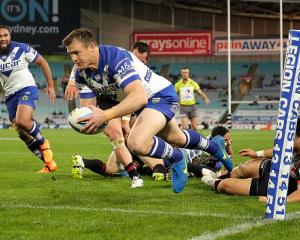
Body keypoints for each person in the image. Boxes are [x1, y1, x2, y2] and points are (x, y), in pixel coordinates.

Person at [62, 28, 232, 193]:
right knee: (177, 138)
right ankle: (214, 146)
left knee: (136, 143)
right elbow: (90, 109)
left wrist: (105, 115)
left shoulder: (115, 58)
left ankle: (177, 158)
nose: (74, 58)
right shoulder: (81, 73)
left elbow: (139, 97)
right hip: (136, 102)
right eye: (71, 54)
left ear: (92, 47)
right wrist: (90, 122)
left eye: (77, 52)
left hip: (159, 95)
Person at [0, 25, 57, 173]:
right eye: (0, 36)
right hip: (10, 96)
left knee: (22, 121)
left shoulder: (22, 48)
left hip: (27, 89)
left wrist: (50, 86)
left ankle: (44, 143)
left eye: (5, 35)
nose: (3, 39)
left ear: (9, 36)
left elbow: (42, 62)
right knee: (21, 132)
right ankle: (48, 163)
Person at [205, 118, 300, 203]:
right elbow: (280, 150)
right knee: (244, 167)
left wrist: (280, 201)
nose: (287, 139)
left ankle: (215, 182)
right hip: (274, 167)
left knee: (225, 185)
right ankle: (222, 175)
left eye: (292, 136)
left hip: (277, 184)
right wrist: (256, 154)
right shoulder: (292, 146)